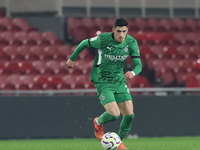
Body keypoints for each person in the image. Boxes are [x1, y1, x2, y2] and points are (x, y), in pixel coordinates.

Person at [66, 17, 142, 149]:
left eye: (124, 31)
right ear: (113, 30)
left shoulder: (131, 42)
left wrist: (133, 73)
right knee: (114, 114)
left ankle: (118, 143)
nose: (122, 35)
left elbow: (138, 65)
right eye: (119, 31)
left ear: (127, 30)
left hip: (119, 80)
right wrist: (72, 59)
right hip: (103, 80)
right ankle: (98, 122)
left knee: (130, 115)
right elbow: (84, 43)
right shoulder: (103, 39)